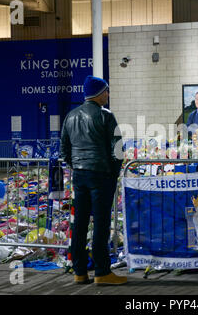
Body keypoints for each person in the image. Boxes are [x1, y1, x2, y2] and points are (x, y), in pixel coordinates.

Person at [60, 75, 127, 285]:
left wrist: (77, 166)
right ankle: (102, 272)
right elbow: (117, 150)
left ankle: (79, 271)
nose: (108, 94)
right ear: (99, 93)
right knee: (100, 223)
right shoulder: (106, 116)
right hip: (101, 175)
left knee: (79, 223)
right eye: (106, 91)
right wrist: (113, 173)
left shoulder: (70, 116)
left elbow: (64, 149)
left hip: (79, 175)